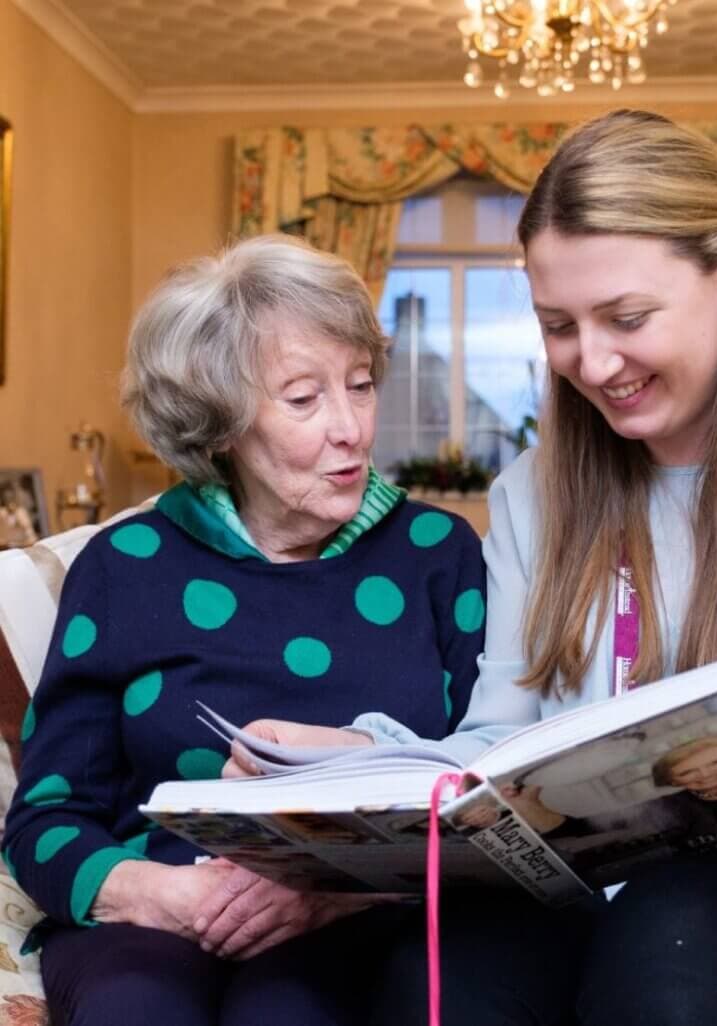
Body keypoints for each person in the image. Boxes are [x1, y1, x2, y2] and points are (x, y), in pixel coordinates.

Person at [222, 110, 717, 1026]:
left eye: (627, 318)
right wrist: (349, 763)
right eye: (558, 326)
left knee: (675, 927)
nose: (592, 364)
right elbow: (498, 750)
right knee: (442, 964)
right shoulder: (532, 494)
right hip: (610, 902)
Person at [1, 235, 488, 1026]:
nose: (351, 428)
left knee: (289, 1012)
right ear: (220, 424)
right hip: (159, 905)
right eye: (303, 399)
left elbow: (486, 794)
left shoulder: (438, 554)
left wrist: (333, 890)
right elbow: (47, 817)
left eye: (361, 386)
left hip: (368, 914)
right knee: (137, 1012)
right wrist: (169, 896)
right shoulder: (125, 567)